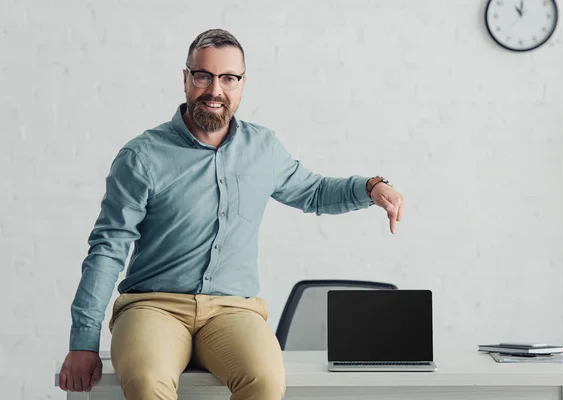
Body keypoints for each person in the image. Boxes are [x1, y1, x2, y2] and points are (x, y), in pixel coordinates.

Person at [58, 28, 404, 400]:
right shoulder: (141, 157)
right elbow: (108, 249)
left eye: (228, 78)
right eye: (203, 76)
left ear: (242, 83)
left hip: (233, 310)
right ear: (186, 79)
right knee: (147, 381)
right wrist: (83, 341)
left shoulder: (263, 148)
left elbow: (314, 191)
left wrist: (371, 186)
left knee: (265, 380)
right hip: (153, 307)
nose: (215, 90)